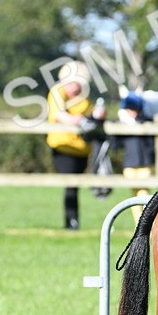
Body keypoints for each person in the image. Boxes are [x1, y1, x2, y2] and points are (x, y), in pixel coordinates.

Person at [46, 61, 101, 230]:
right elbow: (59, 115)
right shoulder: (57, 92)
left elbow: (92, 114)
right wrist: (78, 120)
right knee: (71, 184)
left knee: (75, 186)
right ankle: (71, 222)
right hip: (63, 146)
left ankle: (72, 222)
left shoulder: (84, 97)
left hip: (82, 149)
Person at [118, 91, 156, 223]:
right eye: (130, 109)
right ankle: (138, 225)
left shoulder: (146, 122)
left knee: (144, 195)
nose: (133, 112)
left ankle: (146, 224)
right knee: (134, 198)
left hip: (144, 164)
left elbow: (151, 144)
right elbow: (116, 145)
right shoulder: (121, 124)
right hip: (129, 164)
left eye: (135, 109)